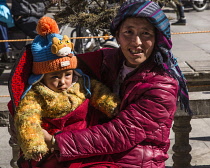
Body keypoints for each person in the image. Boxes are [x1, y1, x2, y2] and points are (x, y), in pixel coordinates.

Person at [41, 0, 192, 167]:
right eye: (129, 32)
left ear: (157, 38)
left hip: (135, 161)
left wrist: (55, 142)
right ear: (118, 34)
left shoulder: (162, 84)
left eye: (146, 33)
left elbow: (121, 133)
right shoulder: (110, 60)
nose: (136, 42)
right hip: (103, 153)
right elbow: (63, 64)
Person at [11, 16, 121, 168]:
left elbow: (98, 92)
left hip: (85, 142)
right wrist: (35, 144)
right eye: (54, 77)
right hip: (55, 147)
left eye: (67, 75)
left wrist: (112, 106)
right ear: (41, 77)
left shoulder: (82, 83)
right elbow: (27, 118)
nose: (63, 82)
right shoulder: (36, 94)